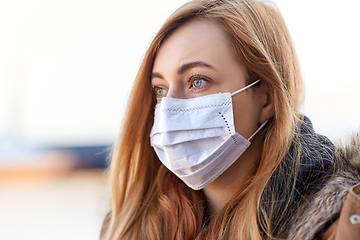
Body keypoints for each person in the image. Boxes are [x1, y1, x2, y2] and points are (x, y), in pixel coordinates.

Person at [101, 0, 360, 239]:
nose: (170, 107)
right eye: (160, 89)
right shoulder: (133, 225)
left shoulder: (342, 224)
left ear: (267, 98)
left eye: (197, 81)